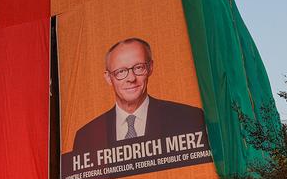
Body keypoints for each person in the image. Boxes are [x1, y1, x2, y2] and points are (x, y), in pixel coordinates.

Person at [71, 38, 206, 154]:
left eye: (138, 67)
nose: (131, 78)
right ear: (108, 78)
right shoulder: (86, 136)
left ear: (150, 68)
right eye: (121, 71)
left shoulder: (188, 119)